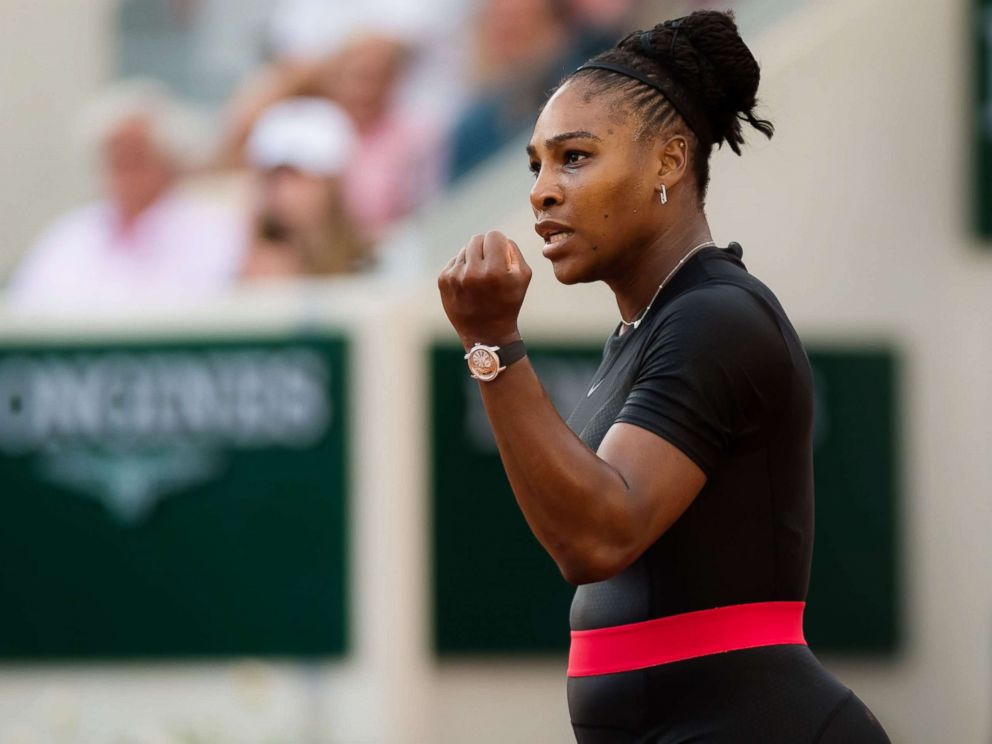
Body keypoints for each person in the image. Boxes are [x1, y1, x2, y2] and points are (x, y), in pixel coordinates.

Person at [438, 11, 891, 744]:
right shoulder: (647, 329)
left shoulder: (718, 317)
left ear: (669, 161)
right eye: (536, 166)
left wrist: (491, 342)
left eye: (574, 157)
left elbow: (596, 539)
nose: (542, 192)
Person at [7, 80, 244, 315]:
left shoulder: (211, 230)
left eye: (136, 157)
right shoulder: (69, 234)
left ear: (170, 161)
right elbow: (23, 312)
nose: (124, 172)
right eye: (115, 159)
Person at [241, 97, 369, 278]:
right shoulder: (246, 259)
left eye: (297, 176)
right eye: (274, 177)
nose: (284, 190)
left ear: (331, 183)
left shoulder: (373, 261)